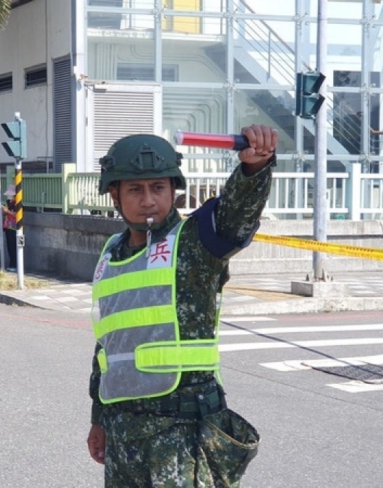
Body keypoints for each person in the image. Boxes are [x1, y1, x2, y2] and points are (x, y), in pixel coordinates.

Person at [86, 126, 276, 487]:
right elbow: (107, 348)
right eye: (135, 190)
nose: (148, 200)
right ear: (114, 194)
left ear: (173, 190)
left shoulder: (194, 242)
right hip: (124, 436)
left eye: (158, 188)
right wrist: (99, 419)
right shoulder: (110, 254)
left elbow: (235, 216)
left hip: (183, 435)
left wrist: (254, 169)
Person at [1, 184, 18, 272]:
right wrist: (4, 212)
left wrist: (7, 211)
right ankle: (11, 264)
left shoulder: (18, 204)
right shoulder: (9, 203)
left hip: (14, 228)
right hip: (8, 227)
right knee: (9, 246)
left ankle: (14, 265)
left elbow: (17, 215)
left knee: (13, 246)